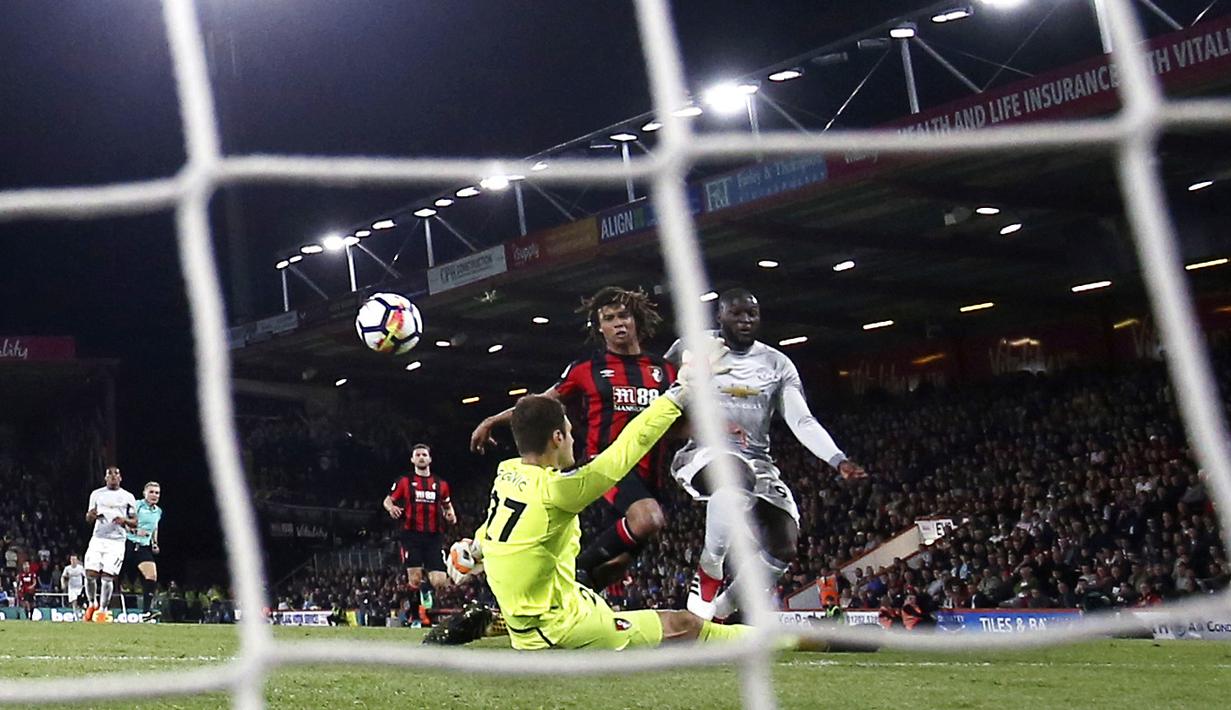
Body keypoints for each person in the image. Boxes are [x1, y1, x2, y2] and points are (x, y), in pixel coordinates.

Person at [473, 346, 758, 650]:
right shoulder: (557, 490)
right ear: (557, 438)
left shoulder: (507, 473)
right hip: (559, 630)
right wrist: (682, 391)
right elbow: (626, 449)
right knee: (685, 625)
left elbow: (494, 529)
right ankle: (783, 638)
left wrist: (474, 549)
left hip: (566, 602)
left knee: (610, 586)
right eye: (569, 433)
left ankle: (503, 620)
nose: (573, 440)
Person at [666, 288, 865, 620]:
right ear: (720, 316)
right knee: (734, 474)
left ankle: (720, 610)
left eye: (752, 315)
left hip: (757, 460)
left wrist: (837, 459)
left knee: (783, 544)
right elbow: (663, 385)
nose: (745, 320)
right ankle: (709, 567)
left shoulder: (777, 364)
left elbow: (802, 420)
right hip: (702, 453)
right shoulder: (693, 347)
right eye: (737, 313)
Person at [470, 286, 677, 588]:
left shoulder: (664, 370)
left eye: (623, 316)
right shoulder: (585, 370)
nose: (618, 323)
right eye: (609, 318)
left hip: (653, 473)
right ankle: (569, 571)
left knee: (615, 567)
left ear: (636, 320)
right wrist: (491, 420)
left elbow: (680, 421)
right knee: (648, 519)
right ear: (600, 327)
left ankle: (573, 597)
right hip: (606, 468)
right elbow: (540, 404)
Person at [383, 444, 456, 628]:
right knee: (414, 579)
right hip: (411, 535)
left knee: (439, 582)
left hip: (433, 537)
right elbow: (388, 500)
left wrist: (451, 515)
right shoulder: (404, 482)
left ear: (430, 459)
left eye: (424, 455)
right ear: (413, 460)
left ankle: (425, 592)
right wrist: (392, 508)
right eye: (418, 455)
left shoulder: (441, 484)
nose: (422, 457)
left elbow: (447, 505)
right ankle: (417, 616)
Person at [83, 466, 137, 621]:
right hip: (98, 538)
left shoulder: (128, 497)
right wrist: (91, 515)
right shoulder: (96, 494)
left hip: (116, 541)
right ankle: (92, 604)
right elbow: (88, 517)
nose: (113, 476)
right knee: (90, 574)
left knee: (108, 576)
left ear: (121, 478)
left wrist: (124, 520)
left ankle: (102, 609)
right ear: (105, 478)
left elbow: (135, 522)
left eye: (116, 474)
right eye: (110, 474)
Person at [125, 481, 163, 620]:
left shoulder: (158, 511)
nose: (154, 495)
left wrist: (154, 543)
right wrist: (135, 530)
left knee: (151, 576)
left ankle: (146, 612)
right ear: (144, 493)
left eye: (157, 493)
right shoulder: (137, 505)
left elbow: (155, 528)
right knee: (112, 574)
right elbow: (125, 522)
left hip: (143, 547)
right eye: (151, 492)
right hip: (128, 543)